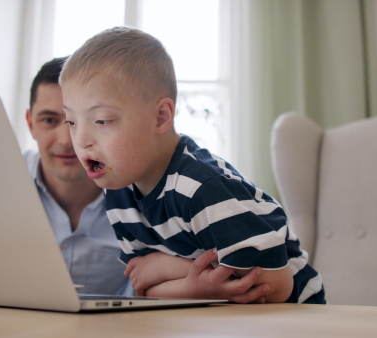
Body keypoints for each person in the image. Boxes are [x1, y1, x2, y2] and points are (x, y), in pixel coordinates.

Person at [59, 27, 325, 304]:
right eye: (72, 122)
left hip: (296, 318)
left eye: (102, 120)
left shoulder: (202, 187)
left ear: (161, 116)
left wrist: (169, 268)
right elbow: (143, 285)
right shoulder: (118, 190)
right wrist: (193, 286)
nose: (80, 140)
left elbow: (274, 287)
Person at [0, 57, 132, 296]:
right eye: (49, 120)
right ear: (31, 124)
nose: (65, 140)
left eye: (77, 121)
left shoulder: (137, 196)